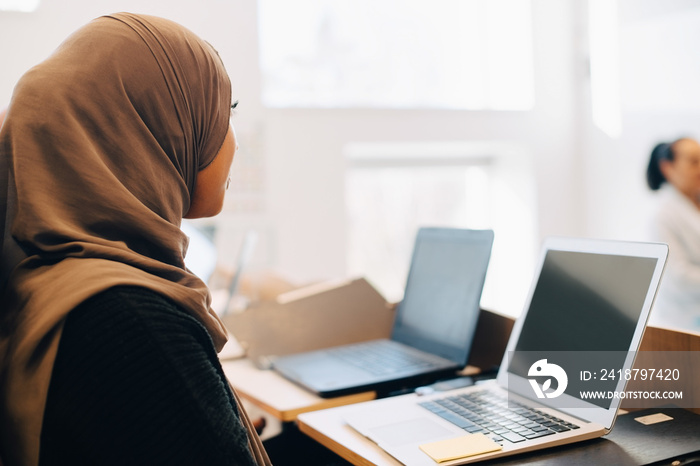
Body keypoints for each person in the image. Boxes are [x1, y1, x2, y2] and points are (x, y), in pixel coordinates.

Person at [0, 13, 270, 466]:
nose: (234, 141)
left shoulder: (51, 283)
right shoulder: (132, 320)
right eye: (225, 111)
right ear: (152, 123)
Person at [646, 137, 700, 331]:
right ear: (667, 168)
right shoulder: (662, 214)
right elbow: (678, 276)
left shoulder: (695, 202)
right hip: (684, 319)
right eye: (694, 162)